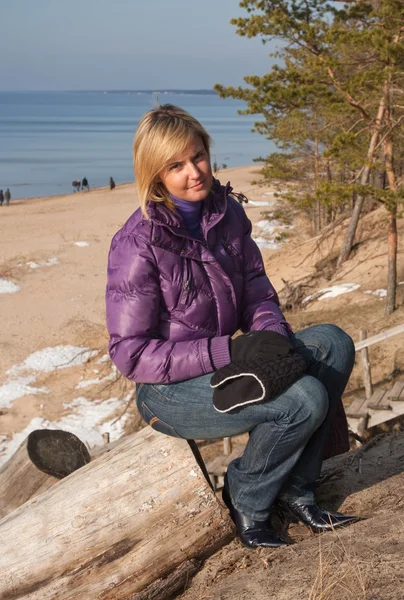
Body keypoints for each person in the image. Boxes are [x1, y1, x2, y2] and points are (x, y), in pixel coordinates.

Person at [106, 104, 359, 549]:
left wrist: (271, 337)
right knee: (304, 399)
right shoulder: (137, 243)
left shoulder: (226, 216)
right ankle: (248, 497)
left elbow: (258, 294)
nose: (194, 172)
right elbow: (131, 355)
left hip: (229, 364)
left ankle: (296, 492)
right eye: (176, 165)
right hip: (168, 391)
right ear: (155, 173)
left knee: (333, 344)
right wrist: (229, 352)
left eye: (198, 156)